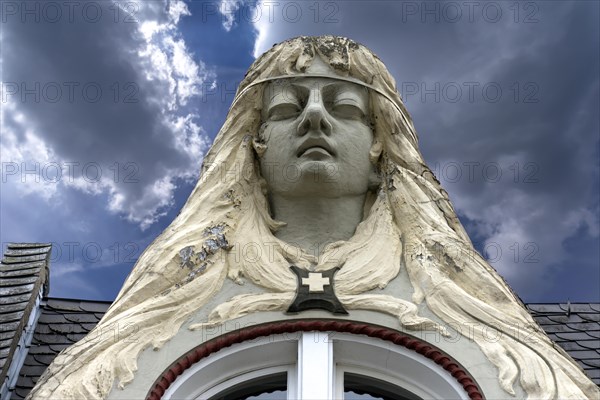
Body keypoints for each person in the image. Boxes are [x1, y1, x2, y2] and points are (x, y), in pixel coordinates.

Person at [28, 36, 599, 400]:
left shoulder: (461, 303)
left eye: (345, 106)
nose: (315, 119)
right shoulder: (173, 299)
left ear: (382, 145)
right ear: (252, 145)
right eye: (287, 107)